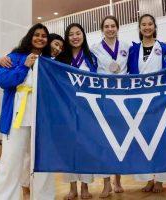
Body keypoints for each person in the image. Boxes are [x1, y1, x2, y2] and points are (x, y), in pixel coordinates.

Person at [0, 23, 55, 200]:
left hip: (42, 122)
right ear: (30, 36)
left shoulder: (50, 62)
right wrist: (24, 66)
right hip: (16, 120)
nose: (40, 38)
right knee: (10, 163)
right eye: (37, 34)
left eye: (44, 36)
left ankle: (44, 197)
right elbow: (3, 81)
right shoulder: (13, 57)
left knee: (43, 165)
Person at [127, 14, 166, 193]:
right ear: (139, 28)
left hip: (160, 100)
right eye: (143, 25)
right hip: (139, 101)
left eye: (150, 24)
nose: (147, 27)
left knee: (160, 140)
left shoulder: (164, 48)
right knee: (142, 140)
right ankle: (147, 178)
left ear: (154, 27)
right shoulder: (133, 50)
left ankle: (161, 179)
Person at [90, 15, 130, 198]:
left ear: (117, 28)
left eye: (113, 26)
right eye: (106, 26)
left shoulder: (126, 47)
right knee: (105, 142)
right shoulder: (95, 49)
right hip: (103, 100)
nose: (110, 29)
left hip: (122, 99)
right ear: (102, 29)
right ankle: (106, 183)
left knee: (120, 141)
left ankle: (118, 180)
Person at [59, 23, 97, 200]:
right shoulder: (61, 59)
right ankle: (72, 187)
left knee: (86, 148)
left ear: (83, 35)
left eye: (78, 33)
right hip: (67, 111)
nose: (75, 37)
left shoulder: (92, 58)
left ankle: (85, 187)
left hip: (87, 110)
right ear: (67, 38)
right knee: (69, 149)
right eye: (71, 34)